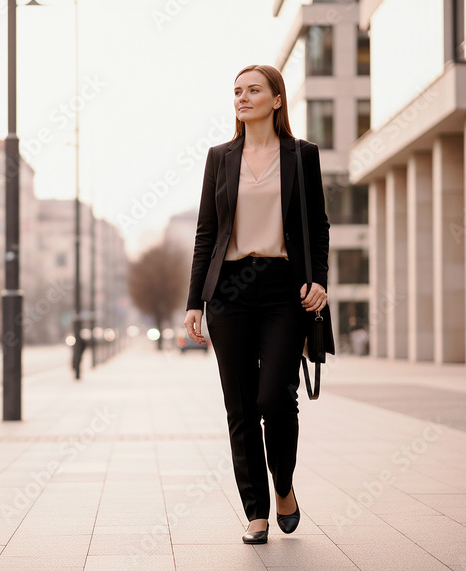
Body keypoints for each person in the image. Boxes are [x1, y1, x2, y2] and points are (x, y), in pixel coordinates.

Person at [183, 64, 330, 544]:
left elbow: (319, 225)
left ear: (277, 99)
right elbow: (207, 231)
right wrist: (194, 302)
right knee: (241, 406)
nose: (242, 98)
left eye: (253, 91)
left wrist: (320, 281)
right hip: (228, 291)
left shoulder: (302, 155)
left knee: (275, 399)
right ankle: (256, 512)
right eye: (236, 92)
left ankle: (283, 485)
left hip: (283, 289)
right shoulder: (220, 157)